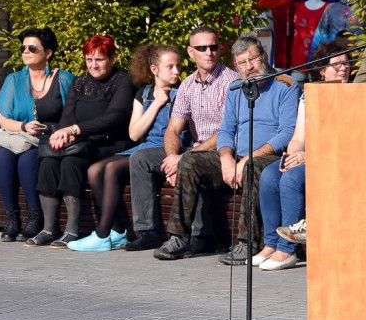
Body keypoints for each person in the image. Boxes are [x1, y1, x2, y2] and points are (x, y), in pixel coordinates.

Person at [153, 34, 299, 262]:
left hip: (269, 158)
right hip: (237, 157)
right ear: (236, 65)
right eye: (242, 63)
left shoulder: (285, 86)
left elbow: (287, 133)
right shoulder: (236, 89)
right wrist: (226, 157)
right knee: (190, 161)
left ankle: (246, 244)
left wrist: (246, 159)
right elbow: (226, 131)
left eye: (254, 59)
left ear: (264, 56)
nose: (249, 67)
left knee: (251, 167)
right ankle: (179, 237)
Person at [125, 28, 239, 252]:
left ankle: (191, 237)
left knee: (190, 164)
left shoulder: (231, 82)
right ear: (190, 52)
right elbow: (173, 129)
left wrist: (183, 158)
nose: (209, 52)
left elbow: (227, 131)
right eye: (201, 48)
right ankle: (148, 231)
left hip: (223, 150)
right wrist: (171, 159)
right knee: (140, 159)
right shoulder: (187, 85)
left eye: (213, 47)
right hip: (193, 151)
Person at [68, 44, 183, 252]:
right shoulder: (144, 93)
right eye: (170, 66)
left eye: (178, 66)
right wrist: (157, 104)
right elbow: (134, 133)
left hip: (167, 148)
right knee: (94, 170)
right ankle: (117, 231)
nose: (176, 71)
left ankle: (103, 235)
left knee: (112, 168)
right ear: (154, 69)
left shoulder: (182, 92)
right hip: (145, 146)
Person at [27, 35, 135, 248]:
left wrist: (75, 130)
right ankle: (49, 228)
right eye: (89, 60)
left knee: (71, 162)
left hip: (110, 144)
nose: (93, 65)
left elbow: (113, 118)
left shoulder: (123, 81)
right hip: (81, 143)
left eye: (100, 60)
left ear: (112, 58)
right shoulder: (80, 82)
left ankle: (72, 230)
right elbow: (68, 116)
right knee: (49, 162)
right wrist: (63, 134)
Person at [260, 41, 351, 268]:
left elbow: (347, 142)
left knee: (291, 179)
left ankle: (288, 250)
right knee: (270, 175)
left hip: (336, 159)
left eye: (346, 64)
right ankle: (271, 243)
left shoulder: (354, 94)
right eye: (336, 65)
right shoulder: (310, 95)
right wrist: (293, 155)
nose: (343, 68)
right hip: (310, 154)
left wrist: (309, 156)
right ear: (321, 70)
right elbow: (299, 137)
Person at [0, 28, 75, 242]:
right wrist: (23, 126)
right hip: (22, 136)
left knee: (28, 160)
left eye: (32, 48)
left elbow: (73, 115)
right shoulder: (14, 79)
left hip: (52, 138)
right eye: (23, 48)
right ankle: (11, 217)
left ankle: (35, 216)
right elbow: (3, 119)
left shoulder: (64, 79)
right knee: (2, 156)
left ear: (48, 53)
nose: (25, 52)